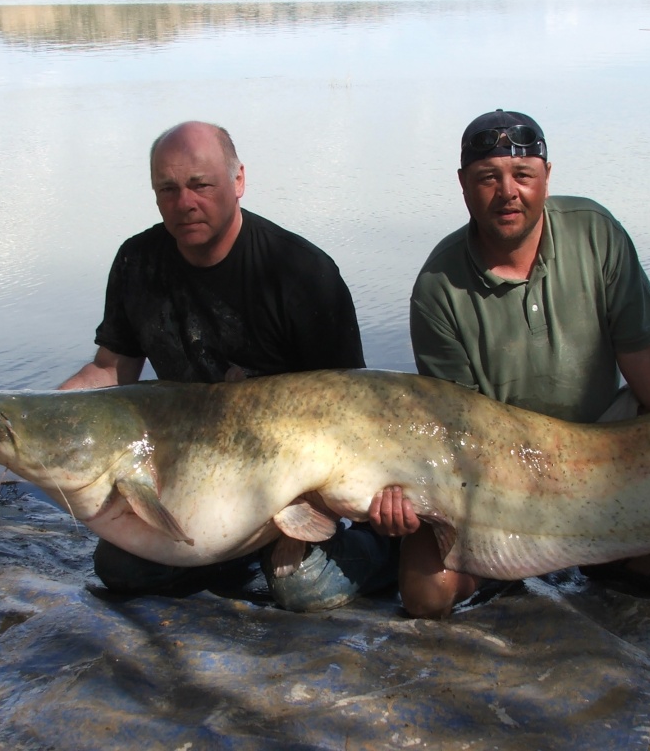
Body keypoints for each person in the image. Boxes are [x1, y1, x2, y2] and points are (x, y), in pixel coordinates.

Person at [375, 109, 650, 619]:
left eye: (522, 176)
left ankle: (625, 553)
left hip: (606, 440)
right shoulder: (437, 286)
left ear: (545, 176)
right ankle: (521, 556)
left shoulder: (594, 232)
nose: (507, 192)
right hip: (502, 462)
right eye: (487, 179)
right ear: (463, 185)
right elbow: (456, 430)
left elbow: (645, 361)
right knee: (425, 597)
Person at [59, 120, 398, 612]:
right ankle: (228, 553)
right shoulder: (138, 262)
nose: (185, 202)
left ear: (238, 182)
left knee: (302, 589)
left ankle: (388, 550)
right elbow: (112, 369)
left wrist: (302, 515)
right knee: (121, 569)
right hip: (202, 479)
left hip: (299, 486)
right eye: (168, 189)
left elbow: (354, 417)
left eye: (201, 185)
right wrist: (39, 418)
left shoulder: (303, 273)